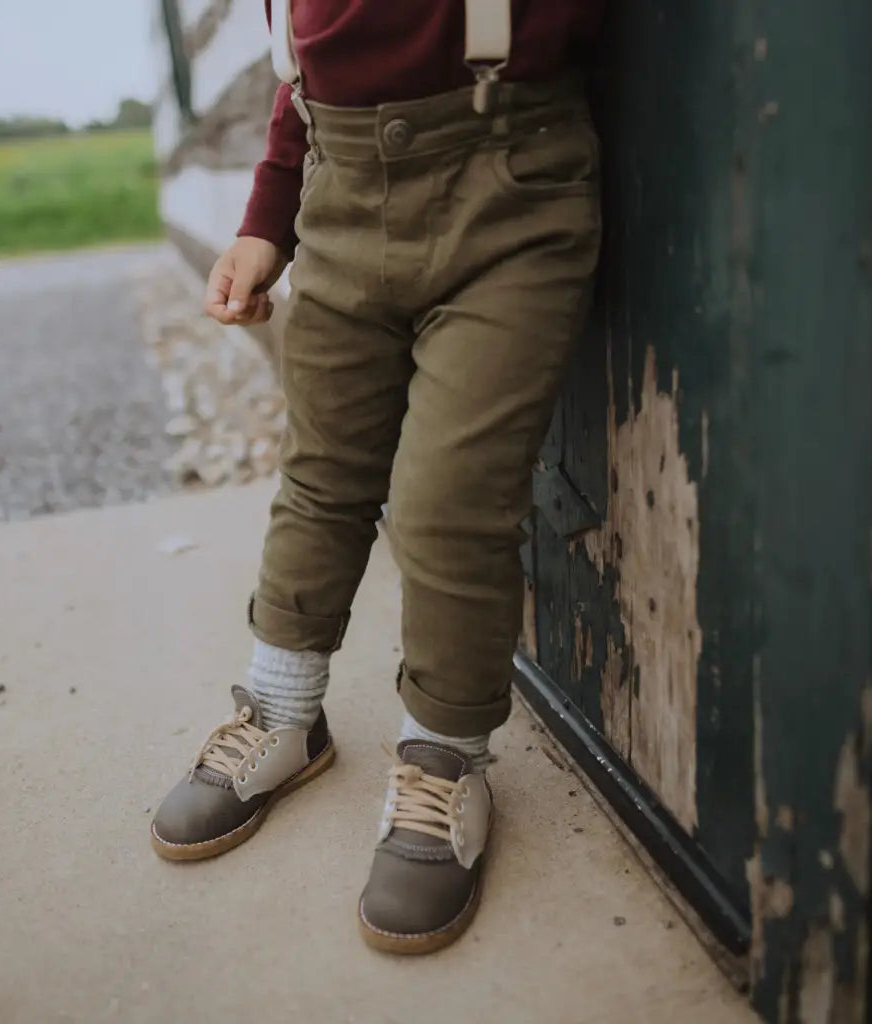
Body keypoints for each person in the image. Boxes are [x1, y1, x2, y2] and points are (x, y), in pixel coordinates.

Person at [150, 0, 605, 955]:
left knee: (447, 504)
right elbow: (303, 86)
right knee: (323, 472)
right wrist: (266, 223)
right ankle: (280, 712)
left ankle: (446, 757)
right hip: (342, 200)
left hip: (509, 195)